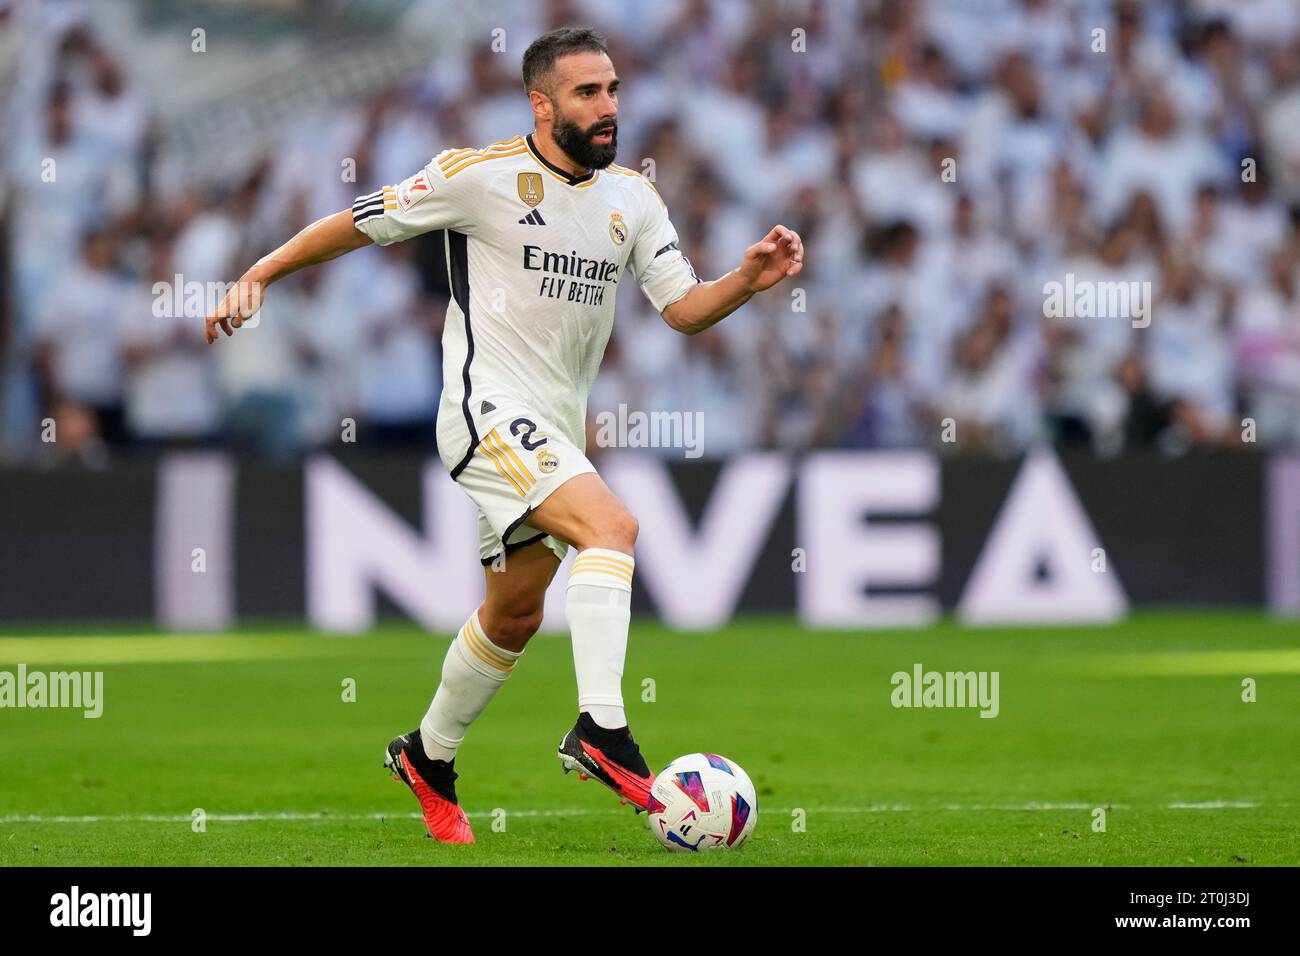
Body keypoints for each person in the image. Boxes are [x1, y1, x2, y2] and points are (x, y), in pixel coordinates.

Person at [204, 26, 804, 844]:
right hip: (485, 409)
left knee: (514, 613)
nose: (608, 108)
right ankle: (602, 730)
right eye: (588, 93)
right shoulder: (477, 177)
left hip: (551, 426)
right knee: (612, 529)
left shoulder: (634, 198)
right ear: (541, 102)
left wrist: (746, 279)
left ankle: (427, 754)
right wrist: (262, 272)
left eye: (614, 90)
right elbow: (356, 221)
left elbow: (684, 310)